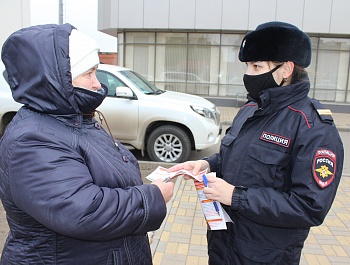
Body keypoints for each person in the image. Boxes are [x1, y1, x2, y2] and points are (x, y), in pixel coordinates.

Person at [168, 21, 344, 264]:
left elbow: (309, 207)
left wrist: (235, 196)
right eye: (248, 65)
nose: (248, 74)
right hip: (223, 247)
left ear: (286, 69)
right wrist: (206, 165)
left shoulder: (311, 126)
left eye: (257, 66)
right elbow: (237, 158)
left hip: (266, 256)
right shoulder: (251, 109)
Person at [0, 23, 174, 264]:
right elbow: (83, 212)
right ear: (55, 79)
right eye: (88, 73)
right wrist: (152, 198)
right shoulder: (32, 140)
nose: (97, 84)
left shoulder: (75, 119)